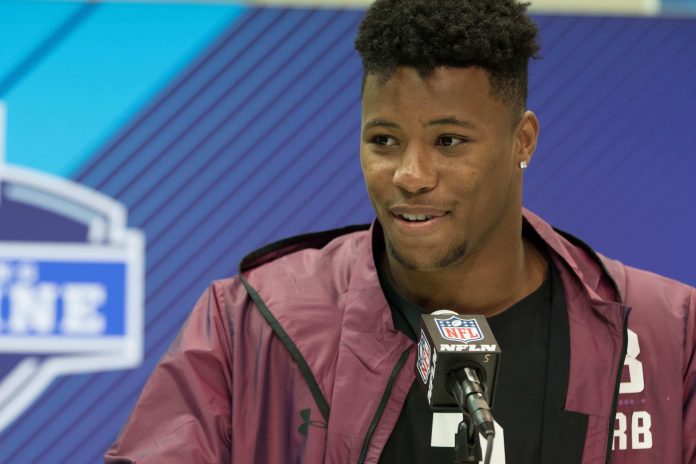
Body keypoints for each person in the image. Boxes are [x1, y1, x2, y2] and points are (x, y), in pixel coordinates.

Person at [105, 0, 696, 462]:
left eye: (449, 141)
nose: (410, 176)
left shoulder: (668, 332)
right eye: (383, 140)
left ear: (523, 141)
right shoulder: (252, 323)